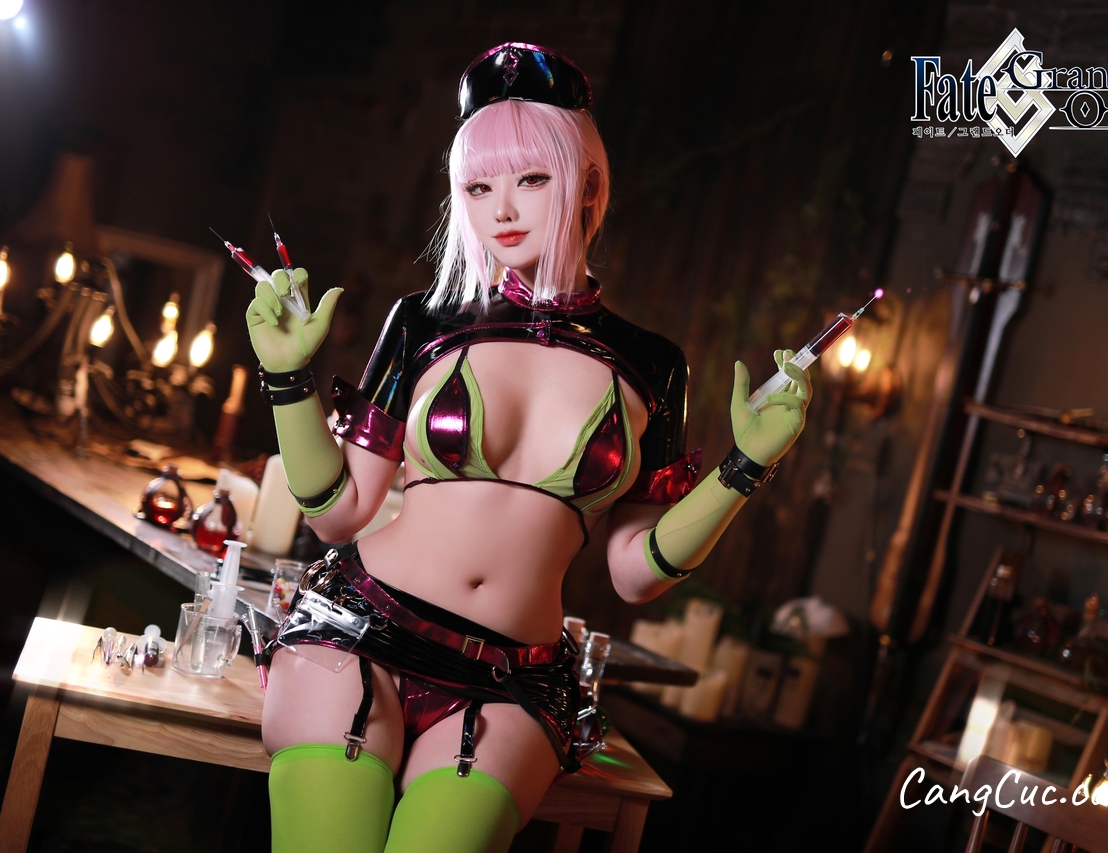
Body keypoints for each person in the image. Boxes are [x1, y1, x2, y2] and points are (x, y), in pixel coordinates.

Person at [247, 42, 812, 853]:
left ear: (588, 184)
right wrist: (286, 378)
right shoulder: (424, 322)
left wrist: (746, 466)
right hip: (359, 632)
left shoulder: (653, 364)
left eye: (532, 179)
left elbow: (634, 571)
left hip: (514, 680)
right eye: (478, 188)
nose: (501, 209)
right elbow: (340, 513)